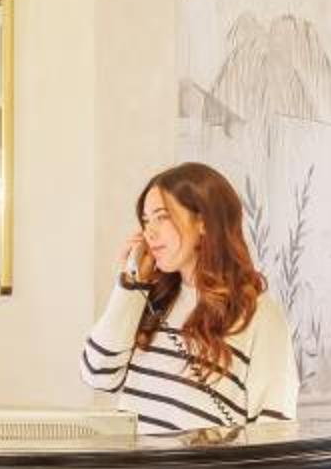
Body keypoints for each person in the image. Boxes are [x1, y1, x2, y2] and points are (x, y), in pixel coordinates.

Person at [79, 162, 300, 435]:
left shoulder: (259, 316)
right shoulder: (148, 298)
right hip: (132, 463)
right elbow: (97, 374)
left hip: (207, 465)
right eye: (146, 220)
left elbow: (273, 430)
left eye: (161, 217)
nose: (149, 233)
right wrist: (130, 284)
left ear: (203, 221)